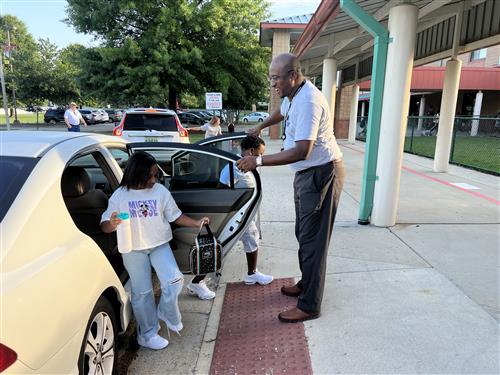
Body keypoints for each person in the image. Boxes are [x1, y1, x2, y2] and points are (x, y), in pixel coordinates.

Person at [237, 53, 345, 323]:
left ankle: (309, 305)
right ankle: (306, 285)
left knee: (313, 241)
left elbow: (302, 151)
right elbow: (281, 111)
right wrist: (260, 126)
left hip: (320, 173)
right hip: (307, 175)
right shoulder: (293, 96)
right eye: (270, 77)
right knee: (304, 234)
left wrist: (258, 161)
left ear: (293, 75)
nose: (272, 83)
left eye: (276, 78)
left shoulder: (308, 101)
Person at [100, 151, 209, 350]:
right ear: (137, 174)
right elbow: (104, 226)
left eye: (155, 174)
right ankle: (147, 333)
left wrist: (196, 223)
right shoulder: (120, 196)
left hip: (159, 244)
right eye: (150, 175)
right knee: (142, 293)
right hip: (133, 249)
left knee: (175, 280)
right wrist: (112, 223)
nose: (154, 179)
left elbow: (175, 216)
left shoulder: (160, 192)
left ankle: (166, 312)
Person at [186, 135, 273, 300]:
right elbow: (222, 189)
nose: (261, 158)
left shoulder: (249, 165)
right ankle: (197, 282)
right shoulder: (235, 167)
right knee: (223, 246)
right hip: (235, 216)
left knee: (252, 238)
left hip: (246, 213)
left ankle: (252, 273)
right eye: (260, 154)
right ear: (251, 151)